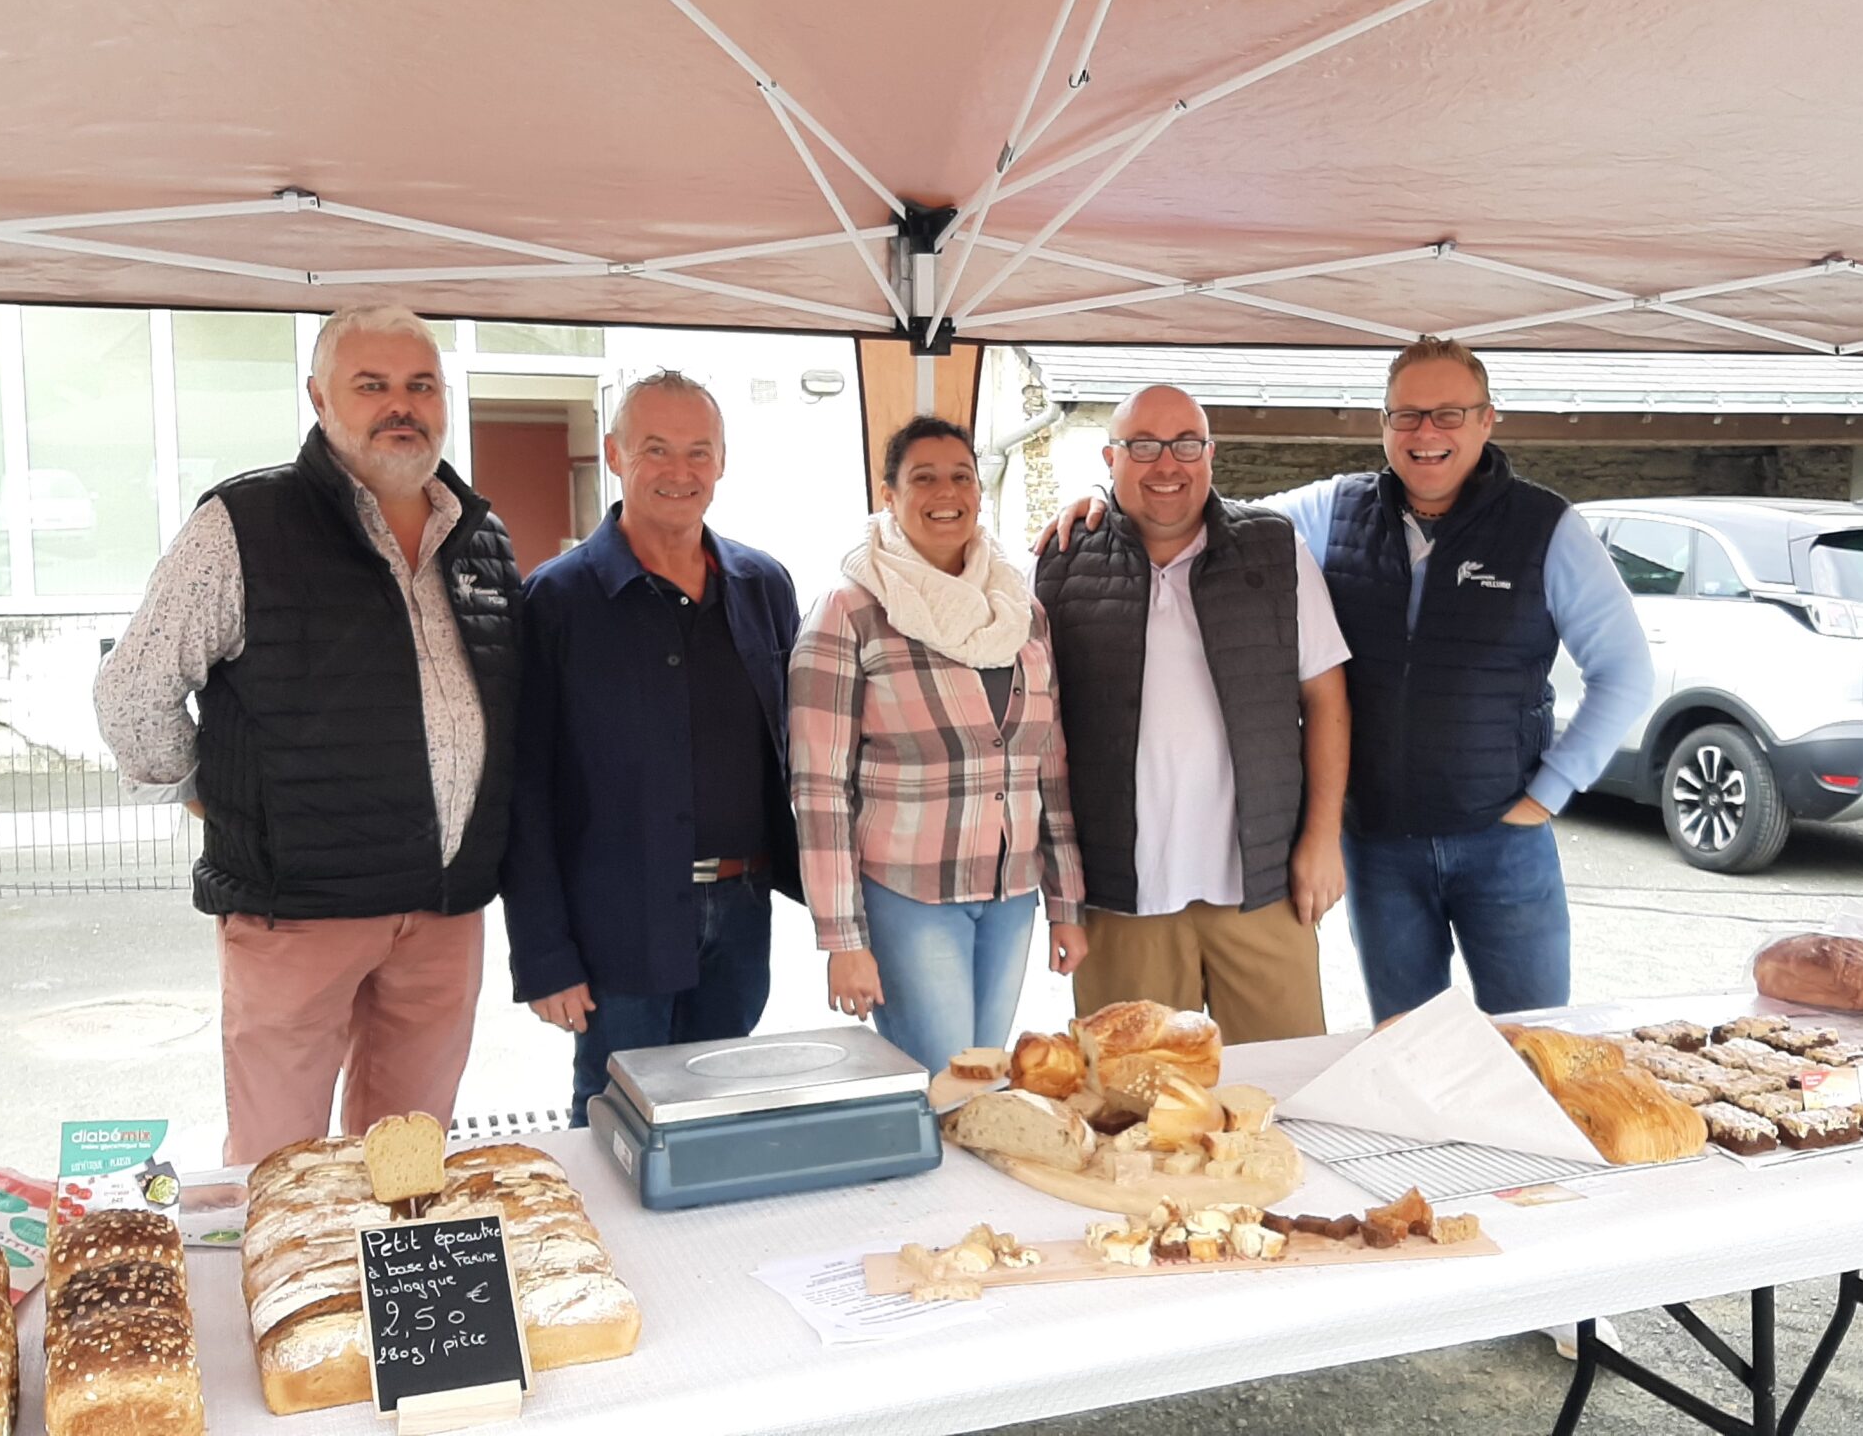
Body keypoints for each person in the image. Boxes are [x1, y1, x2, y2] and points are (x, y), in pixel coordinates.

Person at [1043, 337, 1652, 1024]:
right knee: (1404, 1044)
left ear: (1487, 420)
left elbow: (1626, 674)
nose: (1426, 433)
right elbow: (1194, 504)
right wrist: (1102, 496)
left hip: (1501, 841)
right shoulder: (1334, 509)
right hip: (1380, 844)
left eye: (1449, 414)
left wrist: (1549, 793)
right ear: (1383, 424)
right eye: (1407, 415)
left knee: (1533, 1039)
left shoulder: (1547, 528)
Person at [94, 304, 520, 1164]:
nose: (401, 405)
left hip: (443, 914)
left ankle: (392, 1300)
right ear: (320, 398)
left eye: (420, 385)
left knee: (408, 1167)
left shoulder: (481, 538)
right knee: (278, 1167)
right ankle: (281, 1301)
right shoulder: (244, 526)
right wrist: (208, 789)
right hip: (298, 914)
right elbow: (133, 692)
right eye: (372, 386)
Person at [500, 372, 802, 1125]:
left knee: (717, 1122)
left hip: (740, 914)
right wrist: (545, 956)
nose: (679, 472)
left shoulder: (764, 586)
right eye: (656, 450)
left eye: (698, 452)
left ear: (722, 461)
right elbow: (523, 788)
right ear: (614, 454)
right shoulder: (557, 601)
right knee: (615, 1126)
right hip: (614, 920)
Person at [1032, 384, 1351, 1041]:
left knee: (1286, 1090)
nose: (1167, 465)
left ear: (1210, 453)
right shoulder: (1059, 565)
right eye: (1143, 446)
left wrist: (1321, 840)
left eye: (1185, 444)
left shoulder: (1275, 550)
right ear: (1110, 457)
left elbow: (1326, 698)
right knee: (1133, 1107)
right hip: (1122, 895)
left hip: (1260, 886)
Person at [788, 415, 1087, 1072]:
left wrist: (1065, 905)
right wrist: (843, 939)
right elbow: (818, 789)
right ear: (889, 494)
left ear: (980, 491)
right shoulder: (849, 610)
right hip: (910, 895)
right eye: (922, 478)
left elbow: (1049, 766)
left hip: (1011, 894)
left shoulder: (1021, 610)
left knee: (982, 1085)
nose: (945, 492)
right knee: (942, 1087)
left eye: (960, 476)